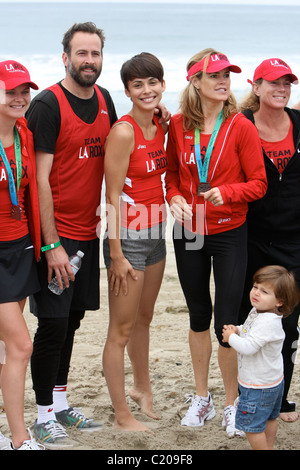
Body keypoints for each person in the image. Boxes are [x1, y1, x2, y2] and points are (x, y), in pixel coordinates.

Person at [165, 48, 267, 436]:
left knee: (226, 319)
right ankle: (201, 397)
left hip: (228, 232)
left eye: (227, 75)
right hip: (189, 230)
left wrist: (229, 192)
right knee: (196, 315)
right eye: (214, 75)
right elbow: (172, 174)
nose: (224, 81)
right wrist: (173, 196)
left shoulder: (240, 125)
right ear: (195, 82)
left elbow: (258, 183)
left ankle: (230, 402)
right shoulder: (177, 124)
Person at [25, 22, 118, 449]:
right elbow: (38, 181)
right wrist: (50, 245)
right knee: (52, 323)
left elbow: (120, 155)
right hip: (54, 237)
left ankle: (60, 402)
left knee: (73, 321)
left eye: (95, 54)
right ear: (65, 57)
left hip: (88, 232)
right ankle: (44, 413)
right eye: (81, 53)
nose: (89, 61)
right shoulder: (46, 105)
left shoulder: (105, 100)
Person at [102, 52, 168, 432]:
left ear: (162, 84)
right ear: (127, 90)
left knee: (144, 318)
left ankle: (143, 389)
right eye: (138, 85)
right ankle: (123, 414)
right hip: (127, 238)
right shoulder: (124, 131)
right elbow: (111, 197)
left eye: (153, 82)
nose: (147, 90)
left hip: (156, 231)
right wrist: (115, 254)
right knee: (120, 330)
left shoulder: (161, 124)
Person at [238, 58, 300, 423]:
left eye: (287, 83)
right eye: (274, 82)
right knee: (246, 317)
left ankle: (280, 397)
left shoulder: (299, 124)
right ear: (256, 86)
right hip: (252, 238)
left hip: (295, 241)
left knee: (287, 323)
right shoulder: (241, 124)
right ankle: (245, 395)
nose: (281, 89)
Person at [0, 60, 43, 450]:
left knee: (2, 347)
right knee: (21, 345)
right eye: (10, 91)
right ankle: (19, 438)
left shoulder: (24, 133)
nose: (19, 97)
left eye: (23, 90)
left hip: (21, 246)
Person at [223, 265, 299, 450]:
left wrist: (230, 338)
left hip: (257, 386)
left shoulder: (267, 323)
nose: (256, 293)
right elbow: (250, 330)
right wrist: (239, 330)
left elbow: (249, 347)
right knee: (270, 418)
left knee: (252, 428)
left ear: (280, 301)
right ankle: (269, 446)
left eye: (264, 291)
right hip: (272, 382)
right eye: (255, 287)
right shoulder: (260, 311)